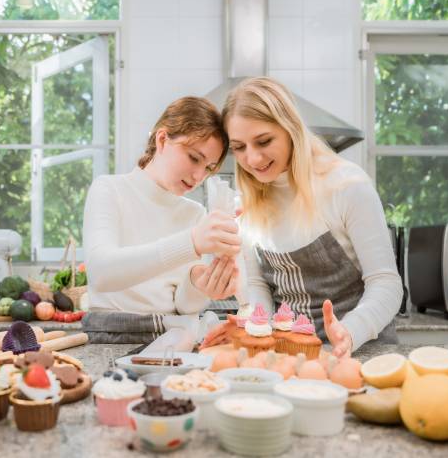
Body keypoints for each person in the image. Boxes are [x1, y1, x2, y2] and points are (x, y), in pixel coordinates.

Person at [202, 77, 403, 357]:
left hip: (361, 353)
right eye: (239, 147)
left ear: (290, 129)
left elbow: (386, 284)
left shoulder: (346, 186)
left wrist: (351, 331)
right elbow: (259, 285)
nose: (253, 159)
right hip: (288, 356)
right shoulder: (247, 203)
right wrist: (254, 327)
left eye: (264, 141)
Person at [82, 96, 241, 316]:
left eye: (208, 168)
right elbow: (101, 274)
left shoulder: (195, 214)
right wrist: (191, 242)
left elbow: (184, 306)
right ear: (162, 140)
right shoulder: (109, 189)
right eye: (194, 158)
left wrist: (199, 285)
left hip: (170, 337)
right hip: (110, 337)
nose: (199, 176)